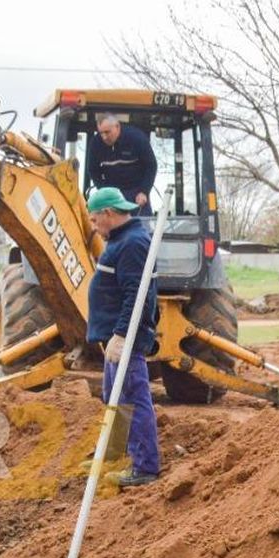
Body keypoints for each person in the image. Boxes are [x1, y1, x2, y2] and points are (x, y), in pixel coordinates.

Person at [85, 187, 160, 488]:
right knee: (113, 397)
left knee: (132, 397)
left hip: (124, 338)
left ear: (108, 214)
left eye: (93, 219)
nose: (93, 226)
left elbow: (137, 296)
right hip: (115, 337)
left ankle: (145, 468)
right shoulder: (122, 240)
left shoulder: (133, 243)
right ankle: (115, 455)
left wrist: (121, 335)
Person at [85, 113, 157, 215]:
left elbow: (151, 165)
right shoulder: (96, 143)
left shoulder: (136, 138)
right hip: (112, 194)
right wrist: (104, 191)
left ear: (117, 127)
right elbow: (93, 170)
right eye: (101, 133)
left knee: (143, 226)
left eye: (107, 132)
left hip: (136, 193)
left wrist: (144, 191)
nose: (104, 137)